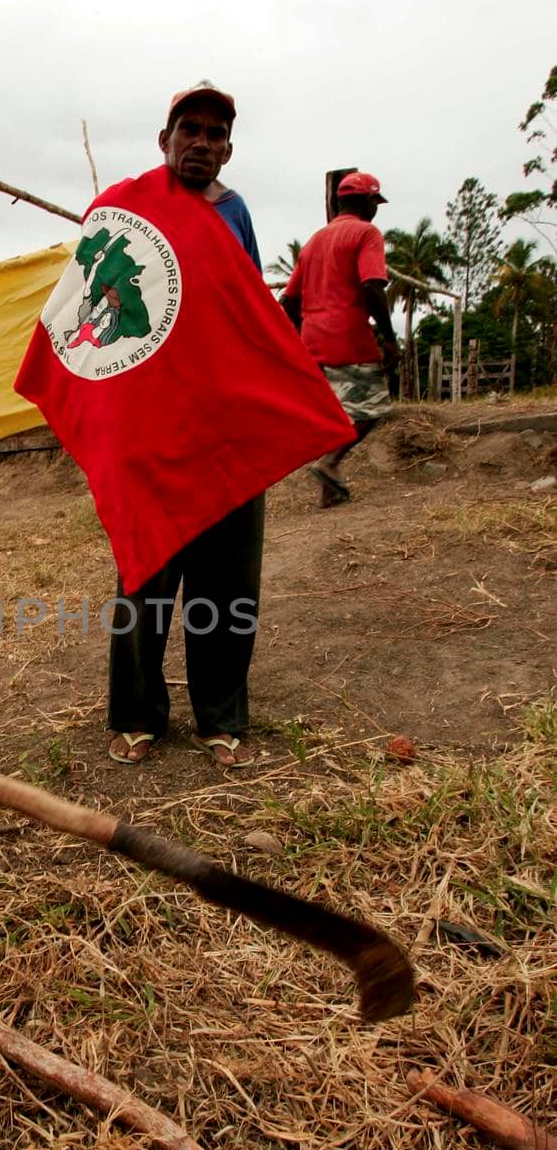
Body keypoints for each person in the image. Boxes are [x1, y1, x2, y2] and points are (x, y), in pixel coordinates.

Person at [107, 82, 265, 769]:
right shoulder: (125, 210)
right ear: (163, 140)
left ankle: (220, 717)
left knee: (227, 580)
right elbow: (94, 319)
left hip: (226, 427)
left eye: (214, 132)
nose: (201, 141)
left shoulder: (234, 215)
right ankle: (137, 715)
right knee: (144, 573)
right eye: (188, 128)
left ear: (228, 149)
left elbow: (254, 315)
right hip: (149, 428)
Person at [281, 172, 398, 506]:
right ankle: (330, 463)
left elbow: (289, 301)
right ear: (366, 201)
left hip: (312, 341)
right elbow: (372, 286)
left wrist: (291, 343)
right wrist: (389, 339)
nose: (376, 208)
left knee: (333, 415)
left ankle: (328, 494)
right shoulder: (366, 233)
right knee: (372, 409)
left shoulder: (314, 241)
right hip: (348, 337)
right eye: (375, 201)